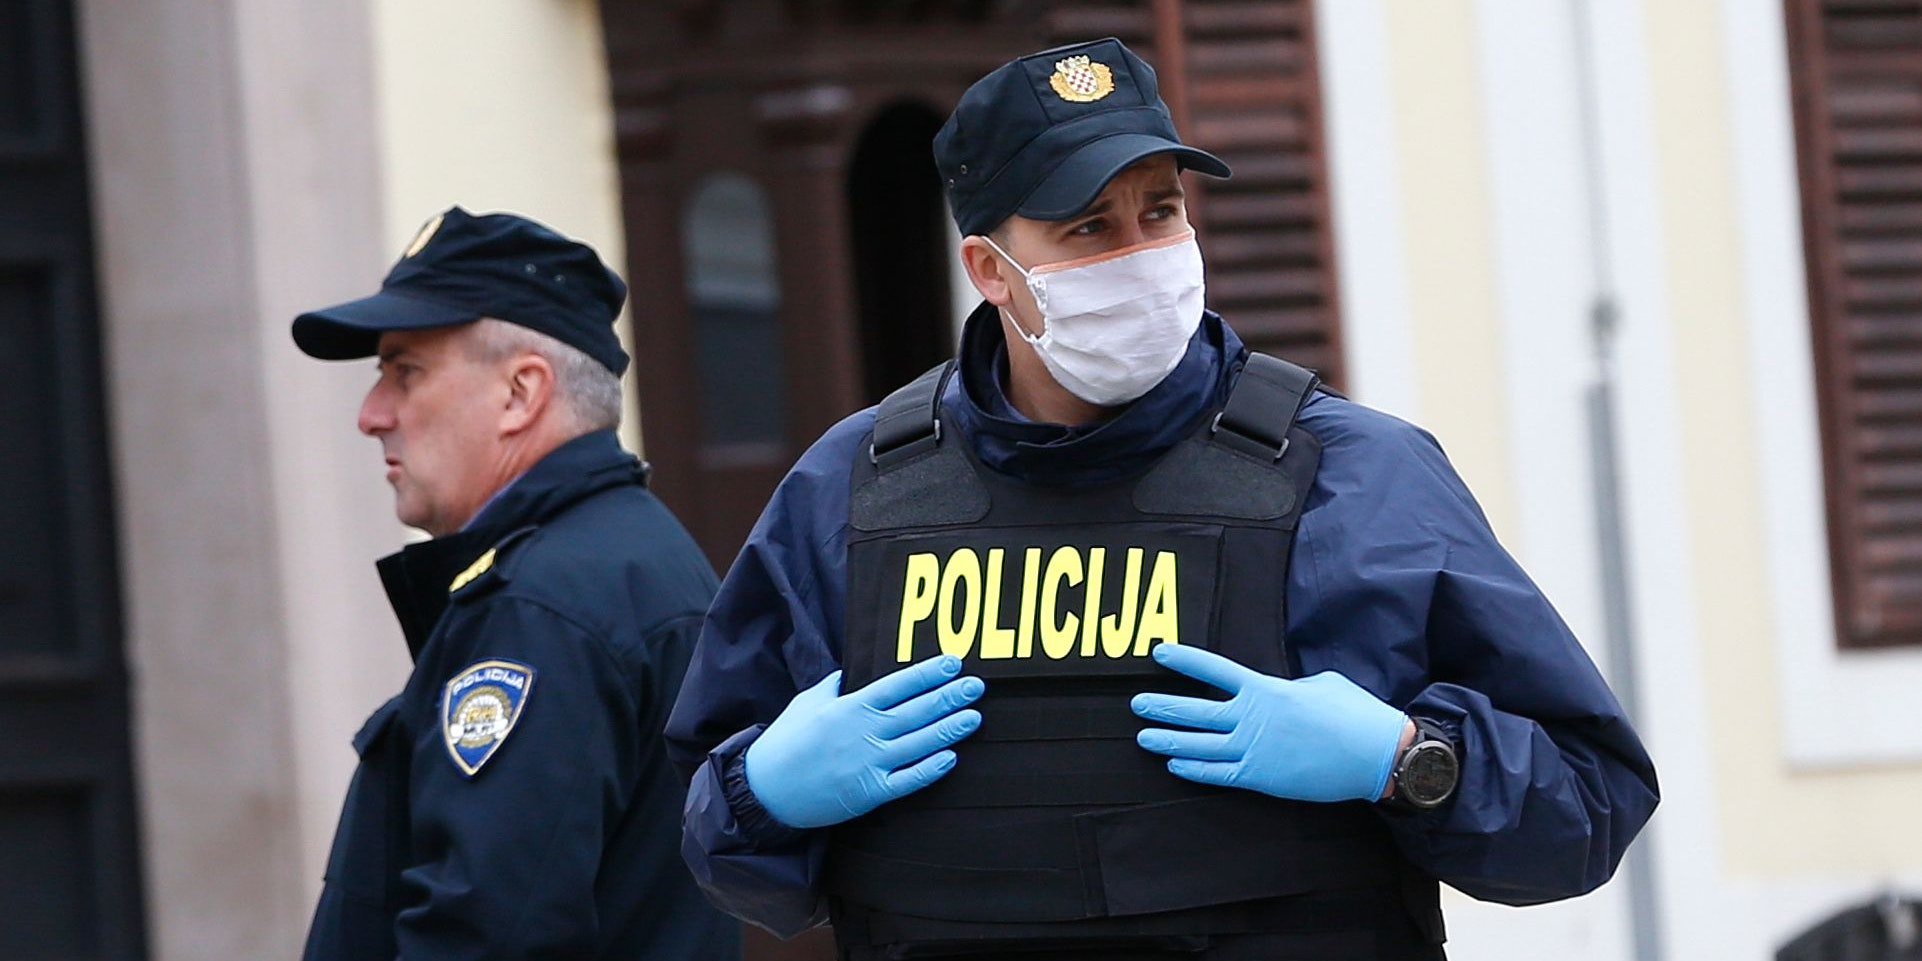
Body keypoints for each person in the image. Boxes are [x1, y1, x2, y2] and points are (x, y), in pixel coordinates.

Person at [667, 37, 1659, 961]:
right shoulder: (850, 494)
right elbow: (722, 850)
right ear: (989, 270)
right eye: (1088, 226)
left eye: (1159, 210)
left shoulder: (1357, 476)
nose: (1140, 253)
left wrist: (1406, 759)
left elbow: (1584, 810)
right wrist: (763, 794)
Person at [291, 207, 740, 961]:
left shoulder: (543, 604)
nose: (372, 415)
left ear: (520, 393)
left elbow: (488, 933)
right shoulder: (618, 557)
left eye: (406, 371)